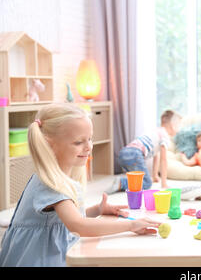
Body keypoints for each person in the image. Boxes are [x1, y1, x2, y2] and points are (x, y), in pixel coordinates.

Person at [0, 103, 161, 267]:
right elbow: (78, 225)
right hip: (36, 259)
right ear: (49, 144)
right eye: (78, 142)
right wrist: (131, 225)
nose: (88, 147)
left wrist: (97, 210)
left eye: (89, 139)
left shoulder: (58, 178)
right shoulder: (50, 184)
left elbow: (63, 219)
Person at [106, 110, 182, 193]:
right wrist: (164, 183)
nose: (179, 129)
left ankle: (122, 183)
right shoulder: (165, 136)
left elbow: (156, 156)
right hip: (134, 154)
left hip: (124, 153)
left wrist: (155, 175)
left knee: (137, 178)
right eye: (179, 125)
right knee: (147, 183)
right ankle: (122, 182)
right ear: (173, 125)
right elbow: (163, 161)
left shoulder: (155, 132)